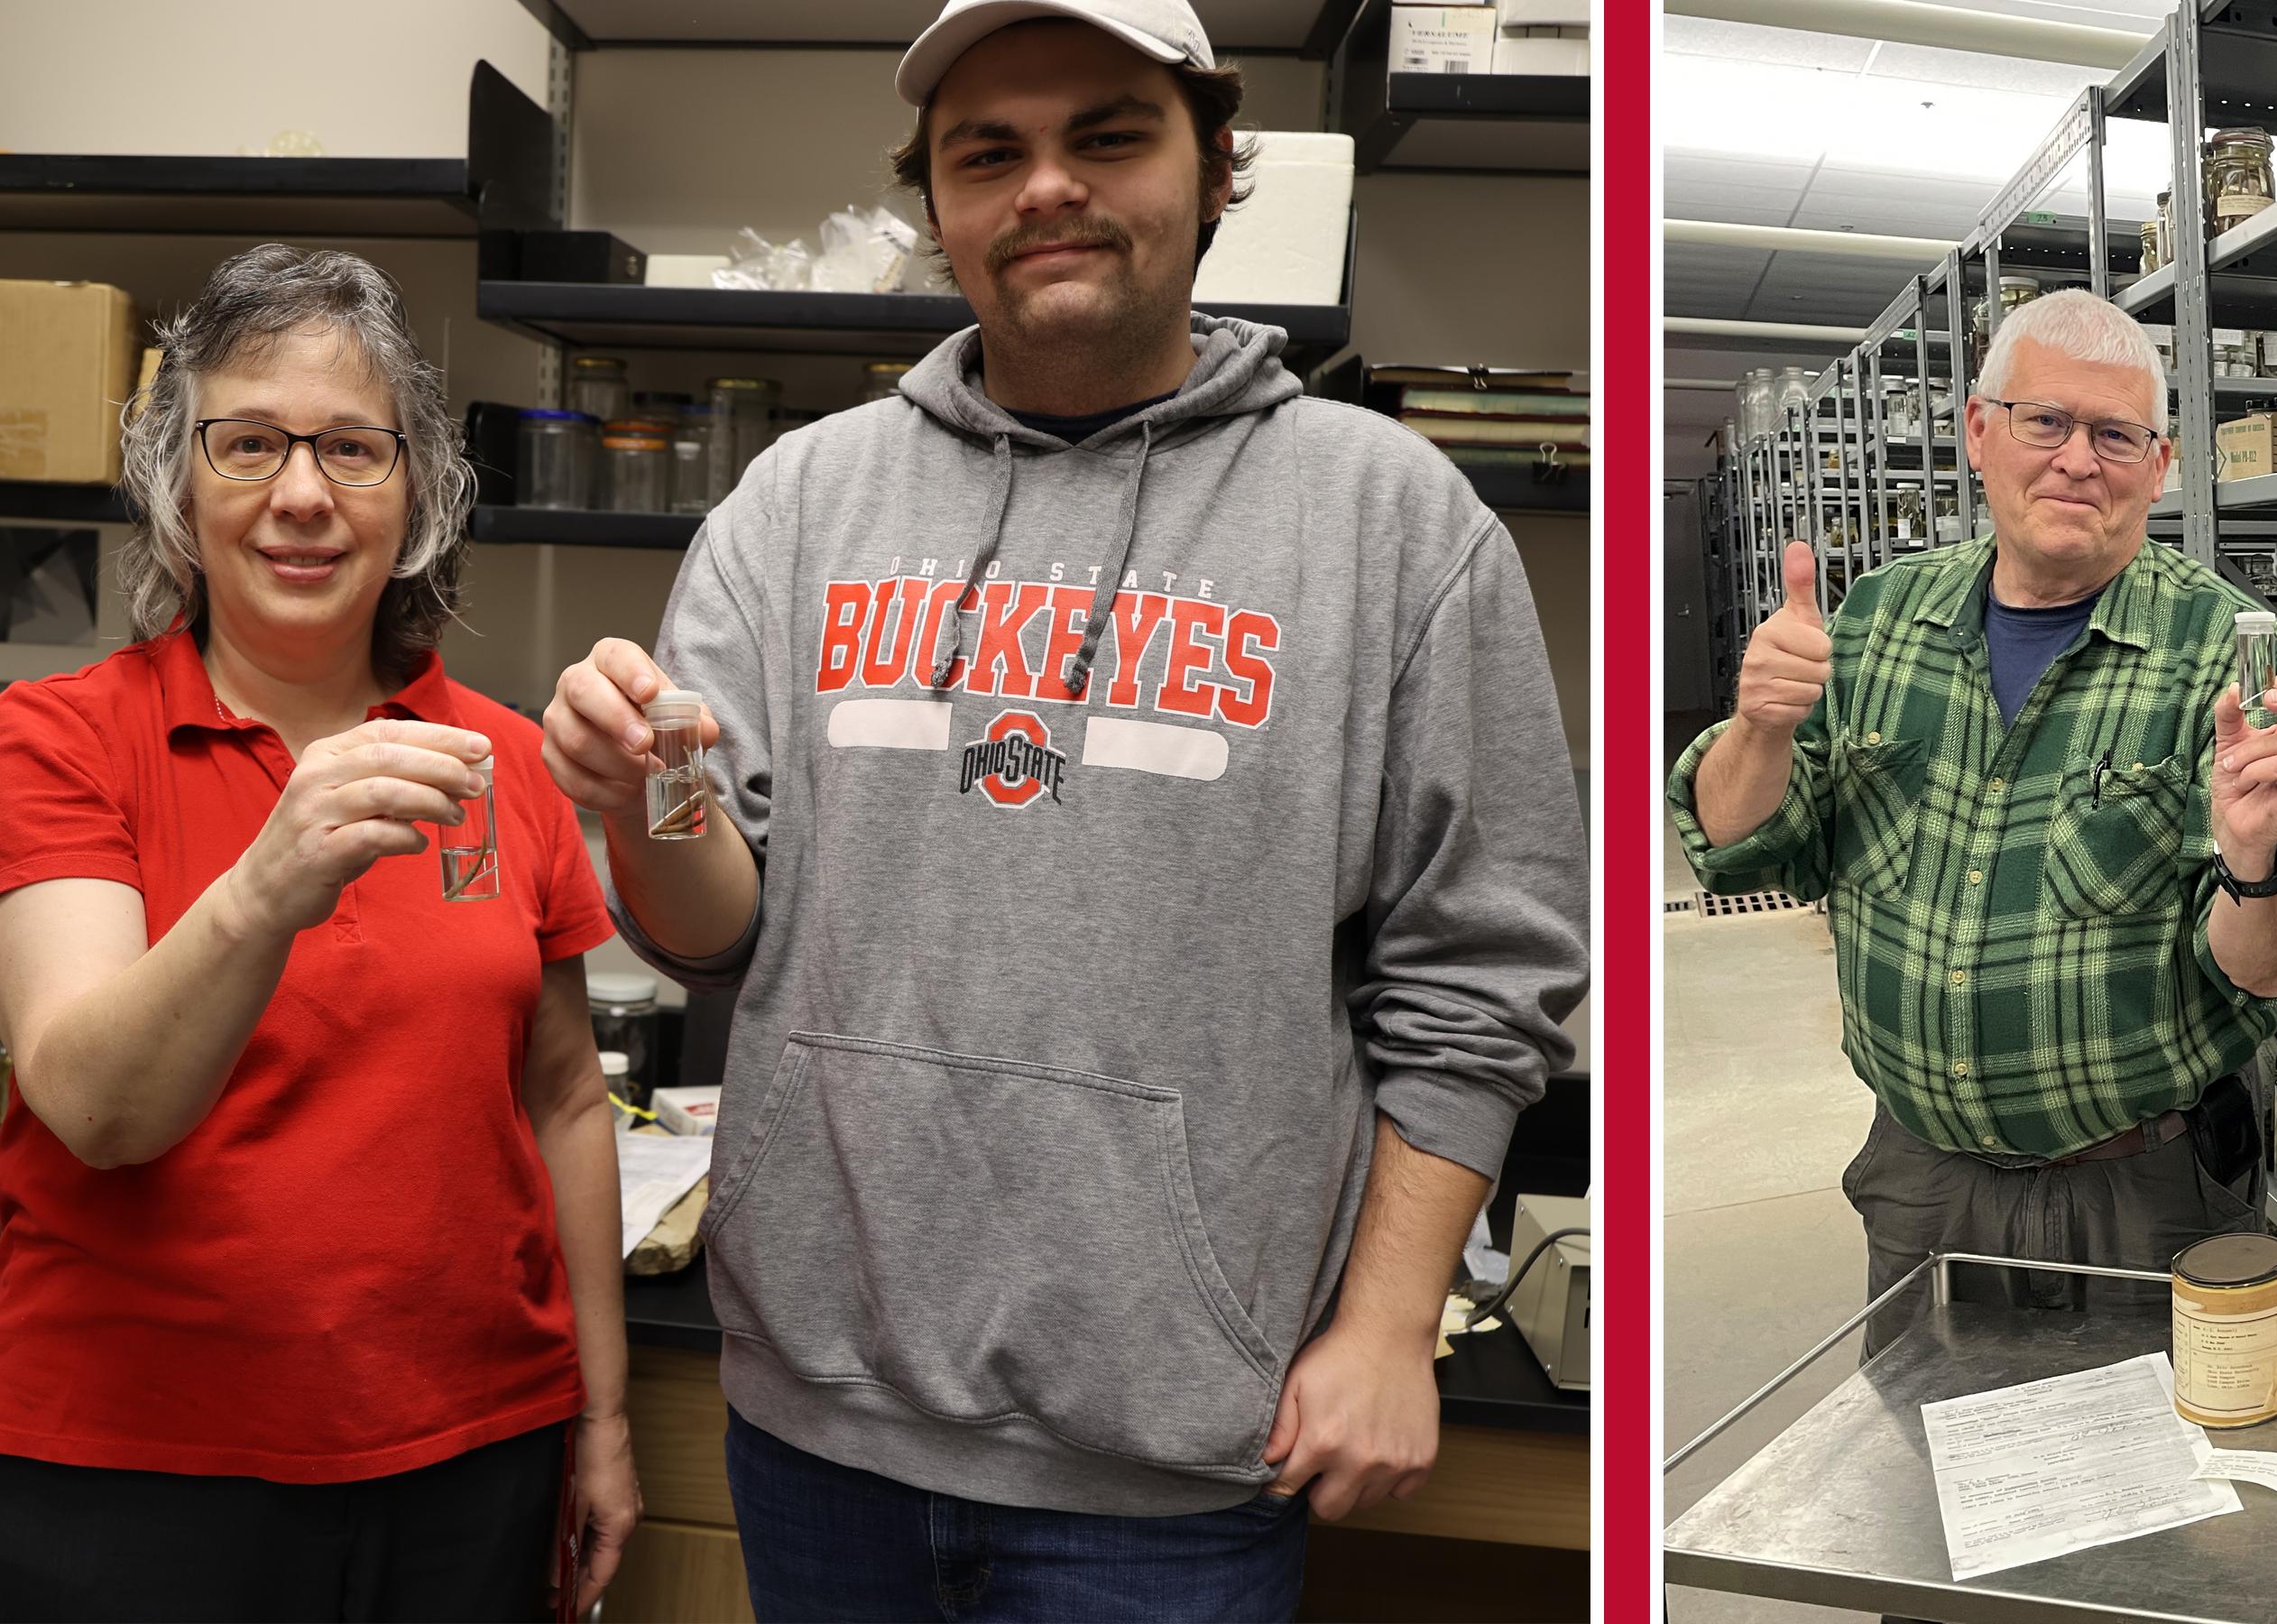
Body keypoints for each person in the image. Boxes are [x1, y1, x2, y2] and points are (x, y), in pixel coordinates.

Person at [536, 0, 1588, 1617]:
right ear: (938, 203)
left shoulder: (1392, 523)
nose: (1046, 188)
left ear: (1215, 164)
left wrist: (1387, 1327)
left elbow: (1485, 975)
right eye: (990, 153)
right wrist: (644, 800)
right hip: (820, 1425)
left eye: (1106, 136)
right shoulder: (796, 504)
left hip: (1171, 1460)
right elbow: (711, 940)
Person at [0, 244, 640, 1619]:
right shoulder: (56, 742)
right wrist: (268, 878)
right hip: (135, 1470)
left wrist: (601, 1420)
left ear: (419, 493)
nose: (301, 495)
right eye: (246, 446)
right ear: (179, 487)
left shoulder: (503, 760)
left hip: (474, 1462)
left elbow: (567, 1101)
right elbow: (96, 1108)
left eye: (353, 448)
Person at [1670, 290, 2277, 1355]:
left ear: (2158, 467)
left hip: (2143, 1197)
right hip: (1921, 1183)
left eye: (2115, 434)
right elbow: (1750, 851)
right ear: (1979, 433)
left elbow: (2264, 970)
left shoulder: (2227, 653)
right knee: (1925, 1475)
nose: (2078, 459)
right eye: (2045, 422)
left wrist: (2254, 858)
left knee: (2160, 1498)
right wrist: (1756, 729)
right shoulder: (1879, 619)